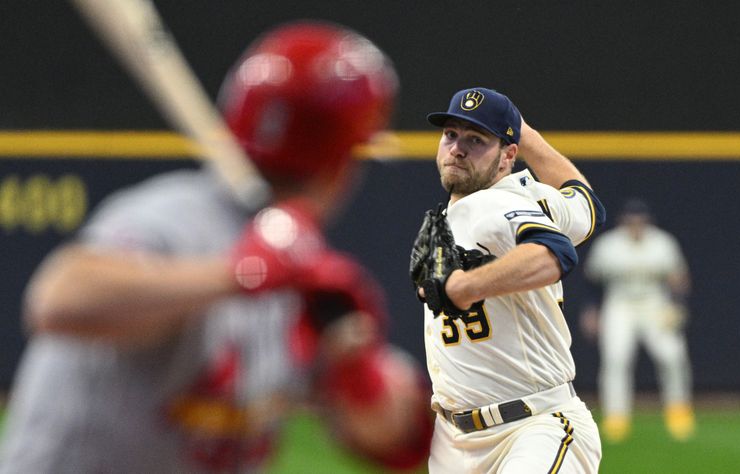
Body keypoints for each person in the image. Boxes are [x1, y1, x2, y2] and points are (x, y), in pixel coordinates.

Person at [0, 22, 432, 473]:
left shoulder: (302, 263)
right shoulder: (172, 219)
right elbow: (59, 298)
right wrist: (238, 274)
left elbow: (398, 439)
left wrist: (353, 359)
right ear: (342, 164)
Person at [415, 87, 606, 473]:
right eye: (451, 134)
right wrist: (522, 130)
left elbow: (555, 253)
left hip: (532, 429)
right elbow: (586, 206)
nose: (457, 148)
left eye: (476, 140)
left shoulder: (492, 204)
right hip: (454, 442)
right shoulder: (535, 196)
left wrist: (464, 287)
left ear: (507, 157)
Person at [581, 198, 695, 443]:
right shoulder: (609, 245)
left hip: (655, 301)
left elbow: (678, 277)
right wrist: (592, 310)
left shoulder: (662, 242)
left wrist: (678, 305)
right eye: (631, 220)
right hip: (619, 302)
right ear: (623, 221)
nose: (636, 224)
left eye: (640, 220)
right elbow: (593, 281)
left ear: (647, 221)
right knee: (616, 359)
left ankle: (678, 411)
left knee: (672, 355)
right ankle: (616, 417)